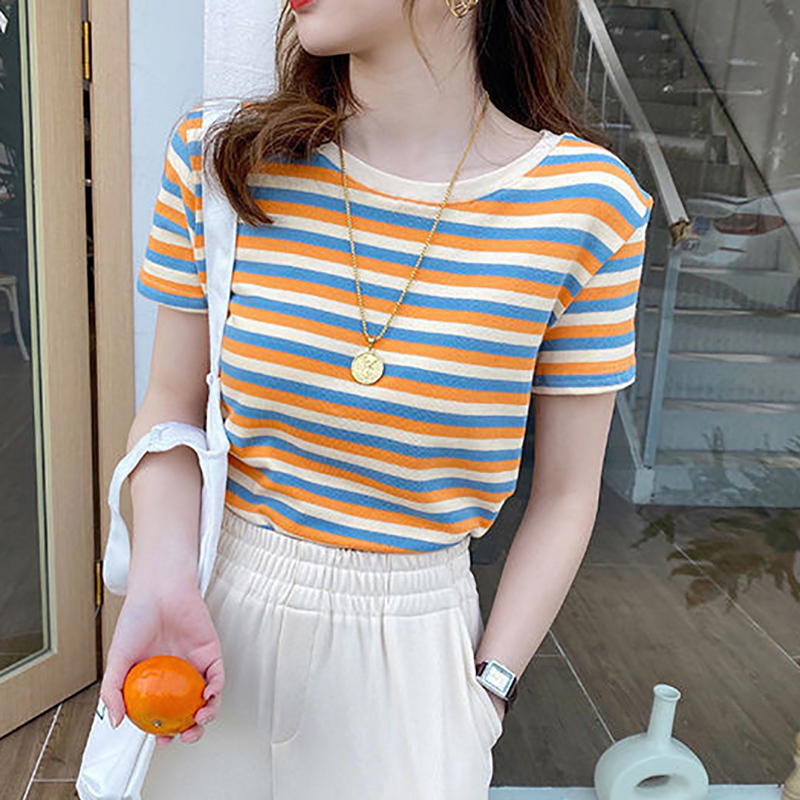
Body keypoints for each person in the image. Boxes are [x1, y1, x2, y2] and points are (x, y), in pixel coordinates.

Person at [100, 0, 653, 796]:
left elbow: (567, 494)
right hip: (213, 629)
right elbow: (170, 405)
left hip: (416, 662)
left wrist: (489, 691)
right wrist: (161, 576)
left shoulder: (587, 206)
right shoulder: (221, 159)